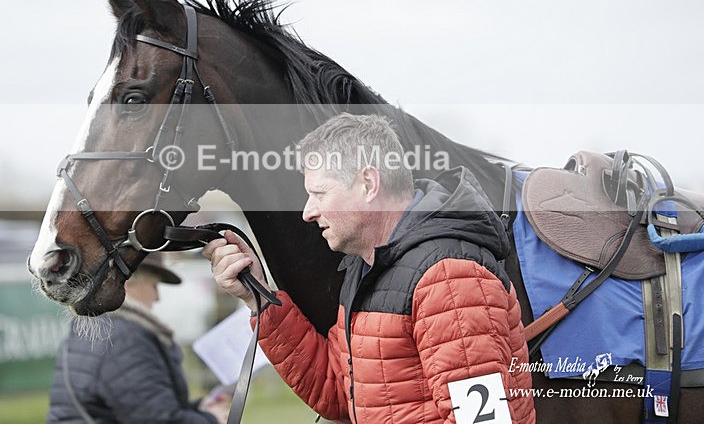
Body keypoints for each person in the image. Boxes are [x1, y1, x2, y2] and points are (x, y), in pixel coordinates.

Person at [203, 113, 536, 423]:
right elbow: (337, 387)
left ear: (368, 184)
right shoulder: (370, 267)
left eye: (319, 193)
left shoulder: (450, 278)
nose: (308, 212)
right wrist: (259, 298)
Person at [47, 253, 230, 423]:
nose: (157, 297)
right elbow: (157, 419)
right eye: (154, 285)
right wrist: (211, 418)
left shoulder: (103, 328)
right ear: (128, 283)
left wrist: (198, 409)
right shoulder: (124, 339)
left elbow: (141, 406)